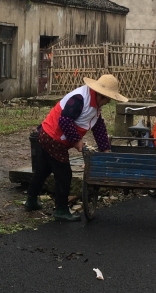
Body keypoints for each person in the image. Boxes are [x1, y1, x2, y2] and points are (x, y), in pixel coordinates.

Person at [25, 74, 128, 222]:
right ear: (100, 95)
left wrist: (105, 148)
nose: (107, 102)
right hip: (52, 137)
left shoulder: (95, 105)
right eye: (107, 99)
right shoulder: (79, 99)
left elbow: (98, 127)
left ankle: (31, 200)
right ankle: (61, 209)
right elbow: (65, 121)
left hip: (52, 136)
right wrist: (78, 142)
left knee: (43, 170)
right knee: (64, 175)